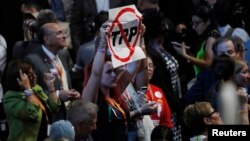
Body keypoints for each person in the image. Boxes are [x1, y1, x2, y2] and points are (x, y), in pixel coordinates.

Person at [24, 22, 80, 121]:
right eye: (59, 33)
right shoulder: (32, 60)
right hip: (51, 117)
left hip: (70, 114)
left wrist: (73, 93)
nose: (64, 36)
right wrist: (57, 94)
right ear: (47, 39)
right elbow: (31, 92)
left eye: (64, 33)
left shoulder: (64, 53)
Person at [3, 59, 61, 141]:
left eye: (34, 72)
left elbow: (54, 107)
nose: (35, 76)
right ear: (19, 79)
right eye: (30, 75)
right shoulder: (11, 98)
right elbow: (33, 114)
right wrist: (27, 89)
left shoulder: (36, 89)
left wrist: (51, 87)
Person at [146, 55, 173, 128]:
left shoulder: (158, 90)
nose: (148, 69)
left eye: (150, 66)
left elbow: (167, 120)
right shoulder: (132, 91)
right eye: (144, 66)